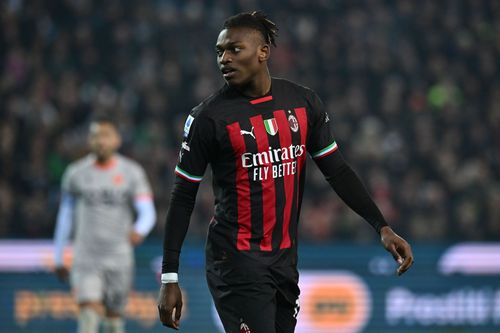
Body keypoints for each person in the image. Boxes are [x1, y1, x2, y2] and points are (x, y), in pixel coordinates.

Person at [157, 11, 414, 333]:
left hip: (284, 260)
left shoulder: (302, 103)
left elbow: (336, 170)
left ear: (263, 52)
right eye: (220, 51)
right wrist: (170, 276)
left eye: (235, 49)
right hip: (235, 261)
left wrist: (382, 226)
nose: (224, 58)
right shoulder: (208, 119)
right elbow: (183, 197)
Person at [53, 115, 157, 333]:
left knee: (113, 320)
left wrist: (140, 229)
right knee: (88, 314)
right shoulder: (76, 174)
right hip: (86, 256)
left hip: (119, 256)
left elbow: (147, 211)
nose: (100, 141)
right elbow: (66, 215)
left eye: (106, 136)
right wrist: (58, 255)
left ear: (117, 140)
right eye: (95, 136)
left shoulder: (131, 172)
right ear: (89, 141)